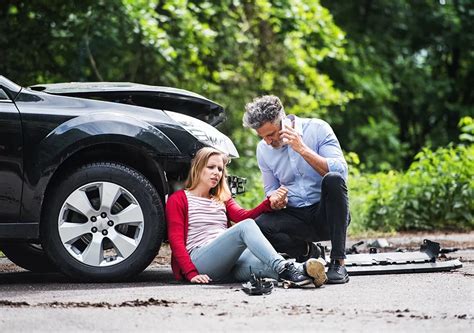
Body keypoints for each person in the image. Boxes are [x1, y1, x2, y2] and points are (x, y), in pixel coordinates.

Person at [165, 147, 327, 287]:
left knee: (266, 264)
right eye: (211, 167)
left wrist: (268, 204)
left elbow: (242, 216)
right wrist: (191, 273)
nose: (216, 173)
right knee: (247, 227)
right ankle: (288, 268)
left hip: (227, 261)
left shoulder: (222, 198)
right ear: (198, 168)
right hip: (200, 261)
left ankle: (306, 273)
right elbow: (176, 241)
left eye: (220, 169)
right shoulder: (179, 199)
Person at [242, 95, 350, 284]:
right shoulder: (263, 149)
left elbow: (340, 171)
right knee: (258, 226)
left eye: (271, 134)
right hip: (295, 217)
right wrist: (275, 200)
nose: (268, 141)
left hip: (326, 214)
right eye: (263, 136)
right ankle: (307, 251)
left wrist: (302, 149)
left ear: (283, 122)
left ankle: (338, 262)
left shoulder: (317, 129)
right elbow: (270, 189)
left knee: (333, 179)